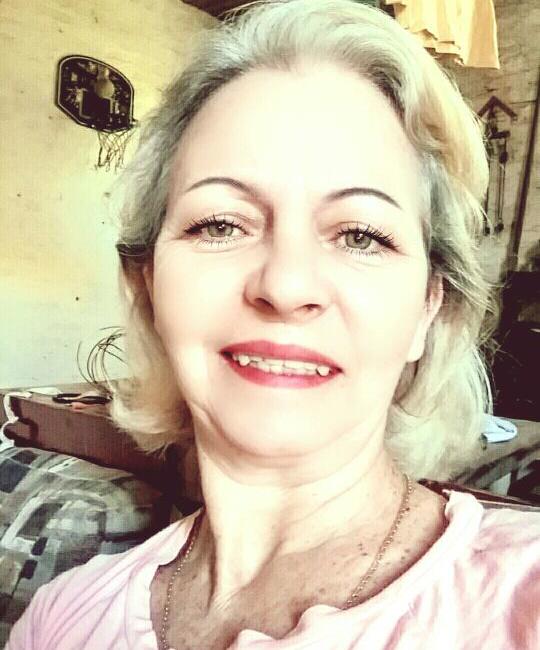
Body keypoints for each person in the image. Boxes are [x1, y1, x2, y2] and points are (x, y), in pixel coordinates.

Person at [6, 1, 539, 648]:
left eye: (361, 235)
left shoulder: (523, 601)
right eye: (220, 224)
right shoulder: (59, 621)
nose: (286, 286)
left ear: (430, 307)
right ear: (146, 287)